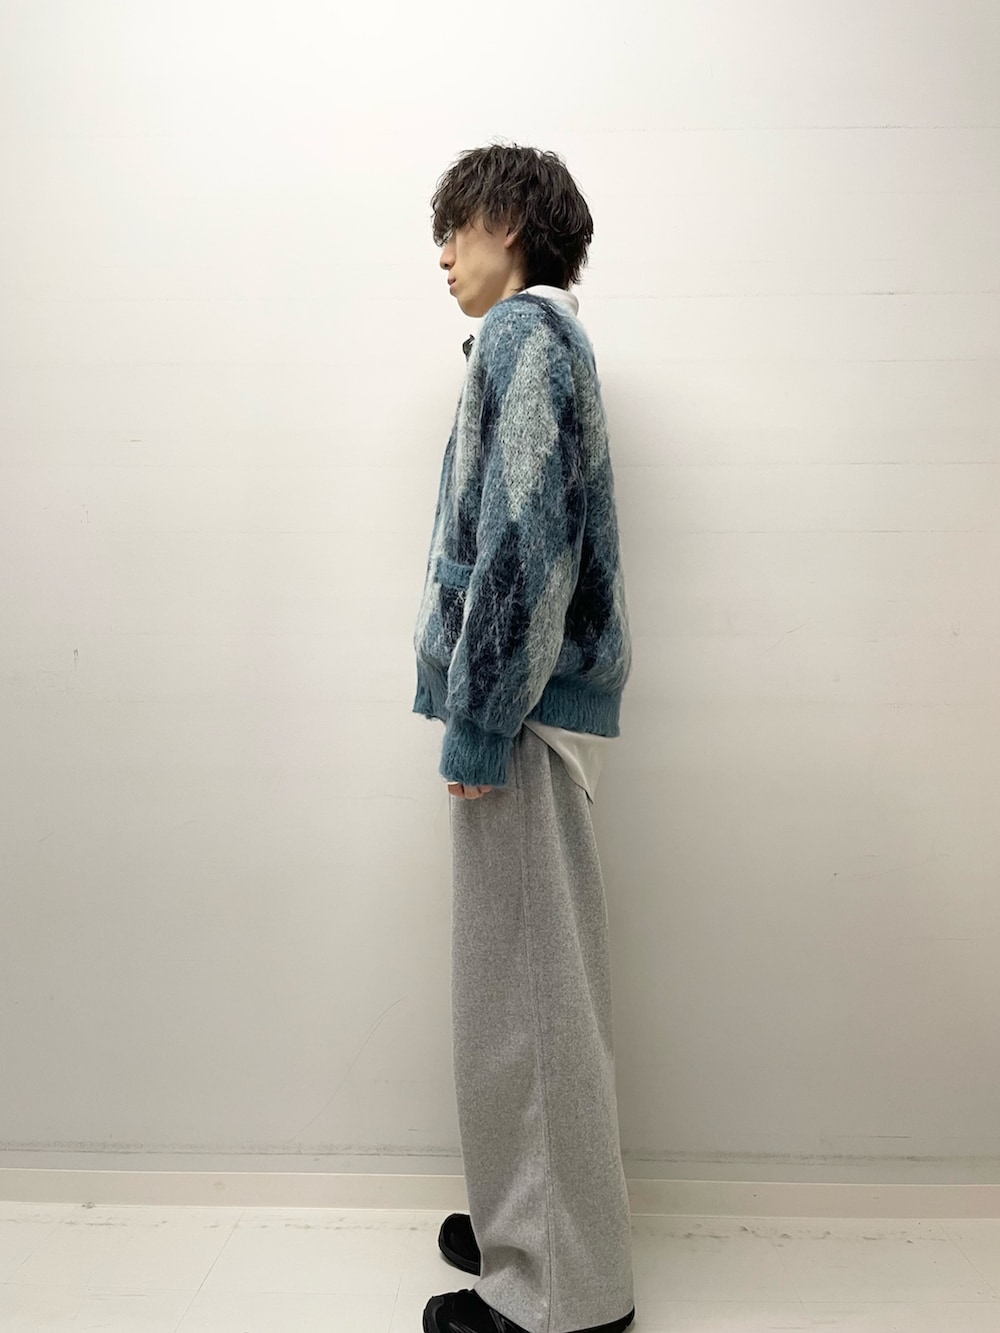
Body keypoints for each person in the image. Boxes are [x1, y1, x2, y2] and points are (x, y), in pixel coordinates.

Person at [412, 142, 636, 1333]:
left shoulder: (522, 337)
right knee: (518, 986)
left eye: (453, 229)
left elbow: (523, 544)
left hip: (523, 714)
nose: (442, 255)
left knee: (531, 1000)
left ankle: (562, 1296)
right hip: (530, 707)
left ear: (507, 220)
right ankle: (524, 1214)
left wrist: (479, 721)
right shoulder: (536, 340)